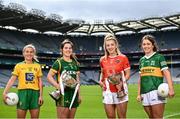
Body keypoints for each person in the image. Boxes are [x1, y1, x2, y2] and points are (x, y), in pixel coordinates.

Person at [137, 34, 175, 118]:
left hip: (157, 92)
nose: (146, 46)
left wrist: (171, 89)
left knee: (157, 117)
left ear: (153, 45)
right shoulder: (141, 60)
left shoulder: (159, 57)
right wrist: (138, 94)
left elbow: (167, 73)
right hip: (144, 93)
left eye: (148, 44)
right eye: (144, 44)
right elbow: (140, 78)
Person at [3, 44, 43, 118]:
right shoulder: (19, 65)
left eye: (31, 52)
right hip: (22, 93)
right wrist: (5, 92)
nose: (29, 53)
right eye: (27, 51)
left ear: (34, 53)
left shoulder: (37, 66)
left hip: (35, 94)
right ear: (23, 53)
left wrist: (40, 96)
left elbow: (40, 82)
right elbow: (12, 80)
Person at [47, 39, 81, 119]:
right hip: (63, 95)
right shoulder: (58, 62)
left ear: (72, 50)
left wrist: (79, 95)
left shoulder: (75, 63)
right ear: (62, 50)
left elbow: (77, 81)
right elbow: (49, 76)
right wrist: (57, 85)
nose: (68, 50)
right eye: (66, 48)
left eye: (70, 48)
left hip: (74, 94)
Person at [99, 33, 130, 118]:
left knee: (122, 117)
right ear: (105, 47)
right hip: (107, 92)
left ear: (116, 45)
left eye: (112, 44)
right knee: (110, 117)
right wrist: (100, 81)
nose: (110, 47)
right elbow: (102, 73)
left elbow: (127, 74)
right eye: (108, 45)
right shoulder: (102, 59)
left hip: (120, 91)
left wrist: (121, 83)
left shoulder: (123, 58)